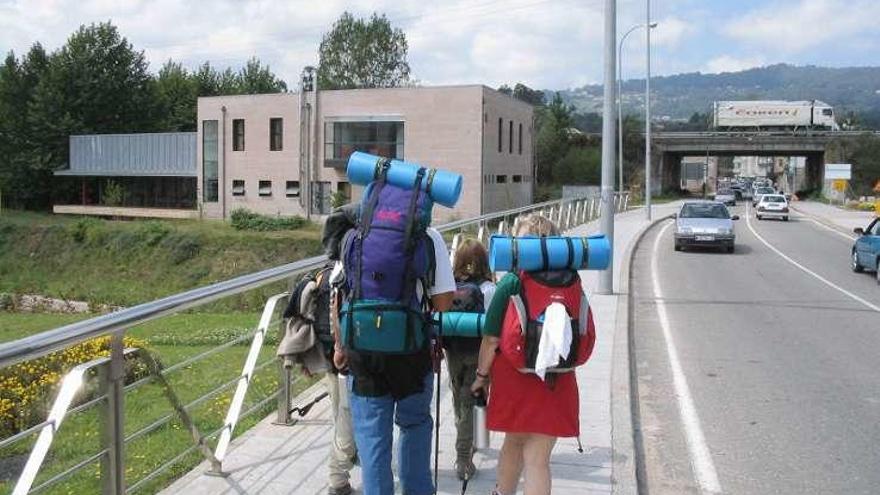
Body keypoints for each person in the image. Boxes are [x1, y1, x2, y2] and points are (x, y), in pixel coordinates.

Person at [332, 225, 455, 495]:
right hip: (411, 351)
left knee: (372, 436)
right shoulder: (428, 236)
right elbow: (444, 302)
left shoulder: (356, 233)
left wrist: (339, 346)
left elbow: (339, 293)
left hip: (364, 353)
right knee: (415, 424)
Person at [470, 214, 583, 495]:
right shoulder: (573, 281)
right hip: (557, 380)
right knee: (538, 461)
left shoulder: (511, 281)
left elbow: (491, 338)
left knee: (513, 443)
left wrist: (481, 377)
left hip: (515, 378)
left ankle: (501, 492)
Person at [444, 238, 496, 481]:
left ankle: (472, 439)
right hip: (479, 352)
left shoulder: (450, 286)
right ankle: (464, 457)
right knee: (474, 399)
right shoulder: (488, 289)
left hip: (453, 350)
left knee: (460, 398)